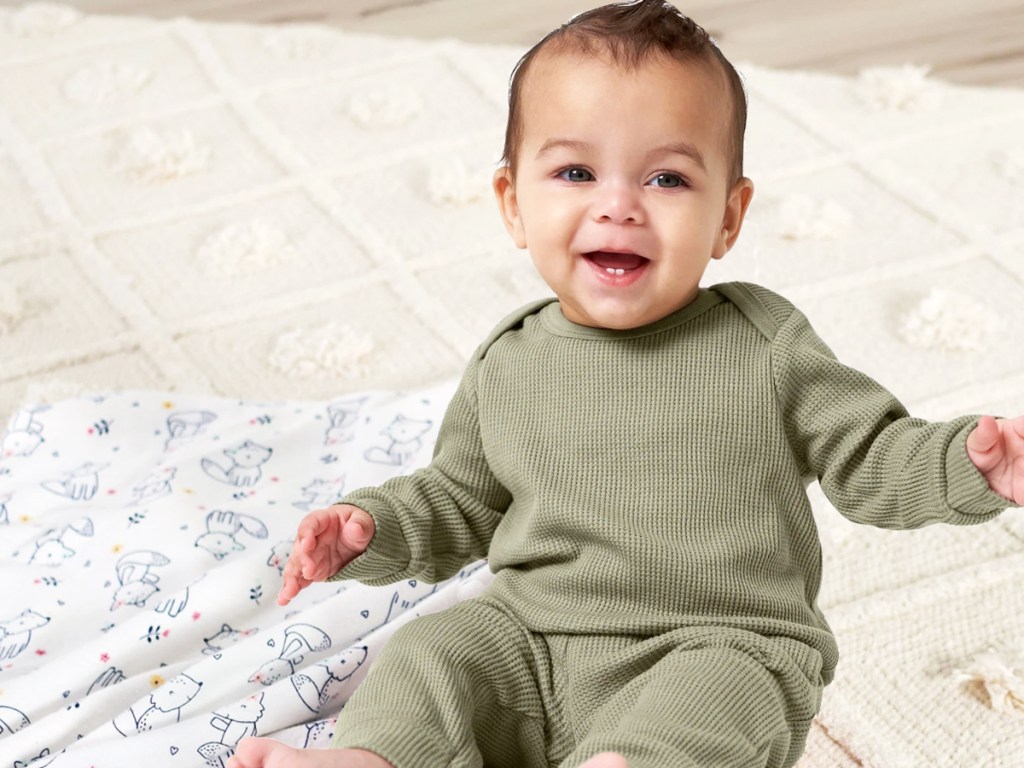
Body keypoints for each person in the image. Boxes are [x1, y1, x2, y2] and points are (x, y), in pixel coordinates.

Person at [228, 1, 1024, 766]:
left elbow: (871, 457)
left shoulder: (762, 342)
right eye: (576, 171)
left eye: (668, 180)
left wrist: (970, 463)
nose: (618, 207)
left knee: (713, 699)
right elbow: (460, 499)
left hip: (718, 640)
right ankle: (373, 760)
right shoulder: (511, 360)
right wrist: (371, 529)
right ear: (512, 204)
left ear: (728, 219)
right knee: (434, 650)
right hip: (533, 644)